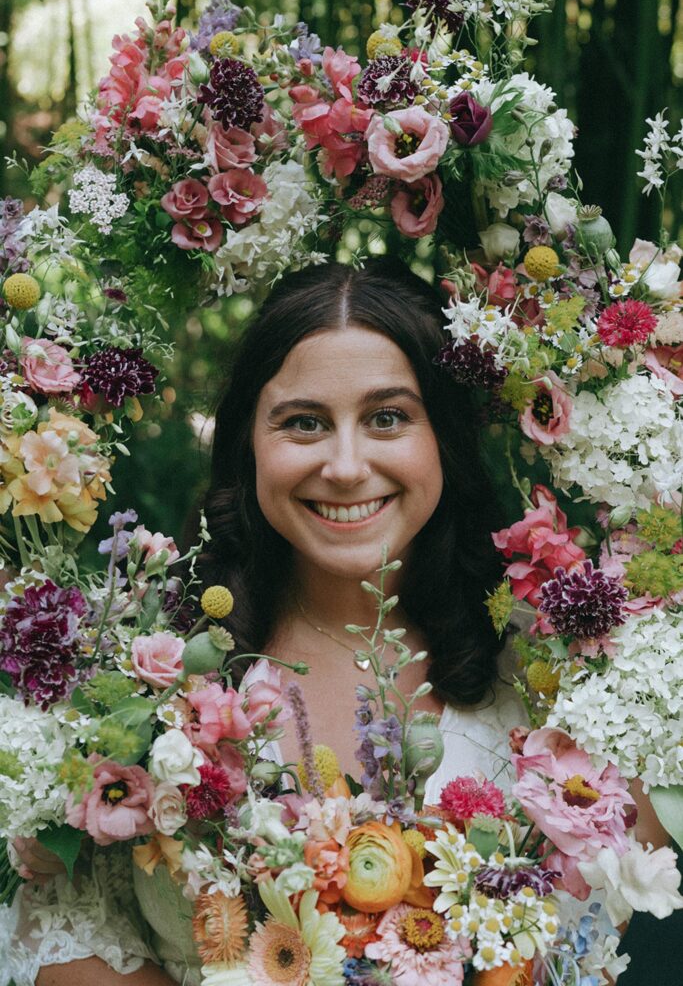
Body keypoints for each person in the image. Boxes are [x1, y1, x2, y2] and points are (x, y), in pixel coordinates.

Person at [6, 259, 665, 984]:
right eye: (303, 423)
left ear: (442, 436)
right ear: (247, 443)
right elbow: (70, 934)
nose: (346, 466)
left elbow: (585, 949)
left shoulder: (552, 686)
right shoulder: (138, 679)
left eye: (387, 417)